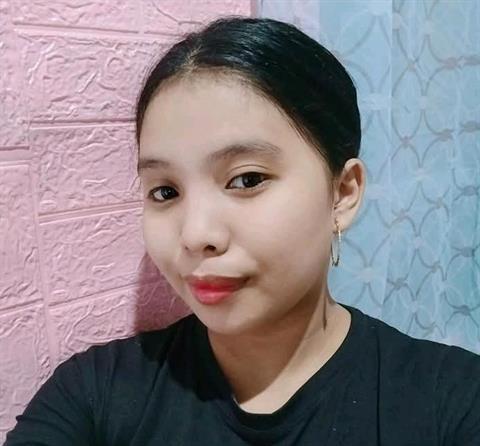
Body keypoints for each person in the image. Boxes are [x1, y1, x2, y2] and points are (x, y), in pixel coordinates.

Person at [5, 16, 480, 446]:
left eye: (247, 179)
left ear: (342, 193)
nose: (196, 235)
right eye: (165, 191)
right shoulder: (94, 393)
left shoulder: (451, 400)